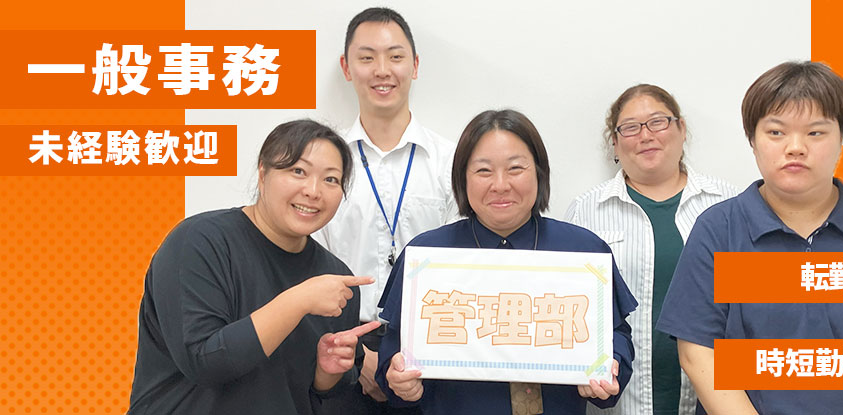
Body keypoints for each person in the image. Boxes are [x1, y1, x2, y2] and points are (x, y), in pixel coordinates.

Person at [656, 61, 843, 415]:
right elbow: (697, 351)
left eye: (815, 133)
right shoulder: (719, 228)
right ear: (753, 140)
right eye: (776, 132)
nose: (795, 147)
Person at [374, 109, 639, 414]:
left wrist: (611, 366)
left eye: (515, 168)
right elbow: (393, 346)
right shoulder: (427, 256)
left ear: (539, 173)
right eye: (484, 171)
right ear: (462, 178)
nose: (500, 185)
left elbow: (616, 335)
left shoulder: (584, 251)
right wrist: (398, 379)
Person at [128, 120, 379, 414]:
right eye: (298, 171)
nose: (313, 191)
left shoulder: (335, 280)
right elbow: (204, 362)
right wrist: (298, 300)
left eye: (331, 179)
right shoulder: (198, 242)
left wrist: (327, 372)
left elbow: (324, 394)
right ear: (262, 173)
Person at [312, 8, 457, 413]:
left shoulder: (450, 162)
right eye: (366, 57)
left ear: (415, 65)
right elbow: (308, 264)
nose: (382, 70)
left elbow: (459, 266)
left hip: (430, 358)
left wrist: (410, 356)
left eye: (395, 57)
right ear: (347, 68)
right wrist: (360, 357)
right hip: (340, 352)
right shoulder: (324, 164)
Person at [566, 84, 737, 415]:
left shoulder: (728, 204)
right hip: (616, 400)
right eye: (630, 128)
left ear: (681, 129)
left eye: (658, 122)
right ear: (615, 143)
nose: (645, 136)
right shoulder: (586, 211)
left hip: (713, 399)